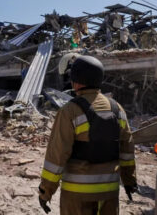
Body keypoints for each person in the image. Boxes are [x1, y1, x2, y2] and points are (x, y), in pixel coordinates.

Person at [38, 55, 137, 215]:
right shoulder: (117, 109)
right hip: (109, 193)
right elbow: (127, 150)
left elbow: (56, 156)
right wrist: (129, 181)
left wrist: (46, 191)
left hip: (77, 196)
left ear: (76, 80)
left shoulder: (69, 112)